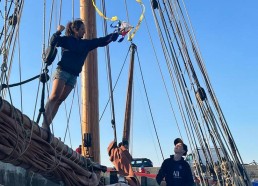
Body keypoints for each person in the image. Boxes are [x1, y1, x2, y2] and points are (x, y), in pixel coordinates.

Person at [42, 19, 119, 131]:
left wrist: (115, 35)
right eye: (82, 29)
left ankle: (47, 125)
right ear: (75, 29)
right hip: (62, 71)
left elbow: (100, 41)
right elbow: (53, 42)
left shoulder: (85, 44)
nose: (84, 32)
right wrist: (58, 31)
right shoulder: (67, 40)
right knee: (54, 96)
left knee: (59, 100)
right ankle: (44, 124)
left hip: (73, 76)